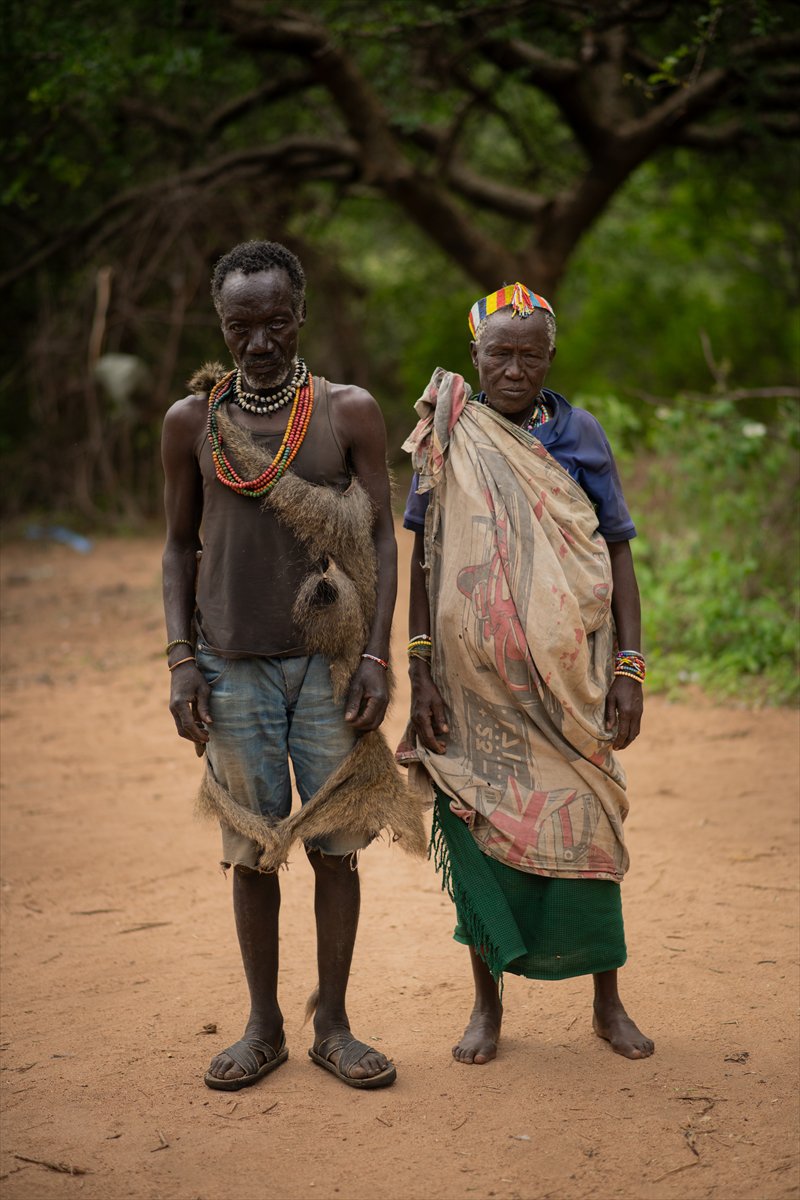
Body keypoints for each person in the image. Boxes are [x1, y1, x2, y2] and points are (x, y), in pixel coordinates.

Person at [161, 240, 402, 1091]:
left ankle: (332, 1025)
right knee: (253, 849)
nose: (258, 341)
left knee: (338, 847)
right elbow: (177, 548)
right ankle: (263, 1027)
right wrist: (182, 662)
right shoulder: (192, 424)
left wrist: (376, 654)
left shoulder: (348, 413)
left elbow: (380, 535)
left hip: (329, 672)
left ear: (299, 317)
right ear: (221, 327)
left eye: (273, 322)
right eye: (240, 326)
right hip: (231, 670)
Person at [400, 282, 654, 1065]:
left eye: (529, 355)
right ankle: (486, 1007)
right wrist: (421, 673)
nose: (514, 368)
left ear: (551, 358)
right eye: (498, 353)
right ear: (475, 355)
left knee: (589, 827)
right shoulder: (447, 433)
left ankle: (606, 1004)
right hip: (471, 689)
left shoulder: (580, 436)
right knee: (480, 833)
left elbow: (616, 549)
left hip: (571, 683)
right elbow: (426, 556)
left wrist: (629, 668)